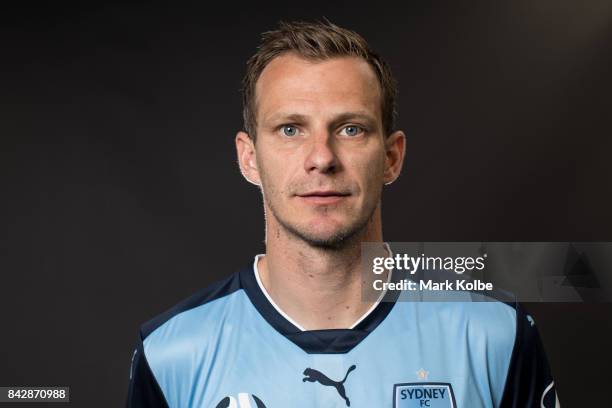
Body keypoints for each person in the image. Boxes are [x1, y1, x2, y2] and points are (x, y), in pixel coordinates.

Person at [126, 20, 560, 407]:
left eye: (350, 129)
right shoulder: (171, 353)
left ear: (392, 157)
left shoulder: (495, 335)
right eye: (290, 129)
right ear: (250, 158)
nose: (322, 158)